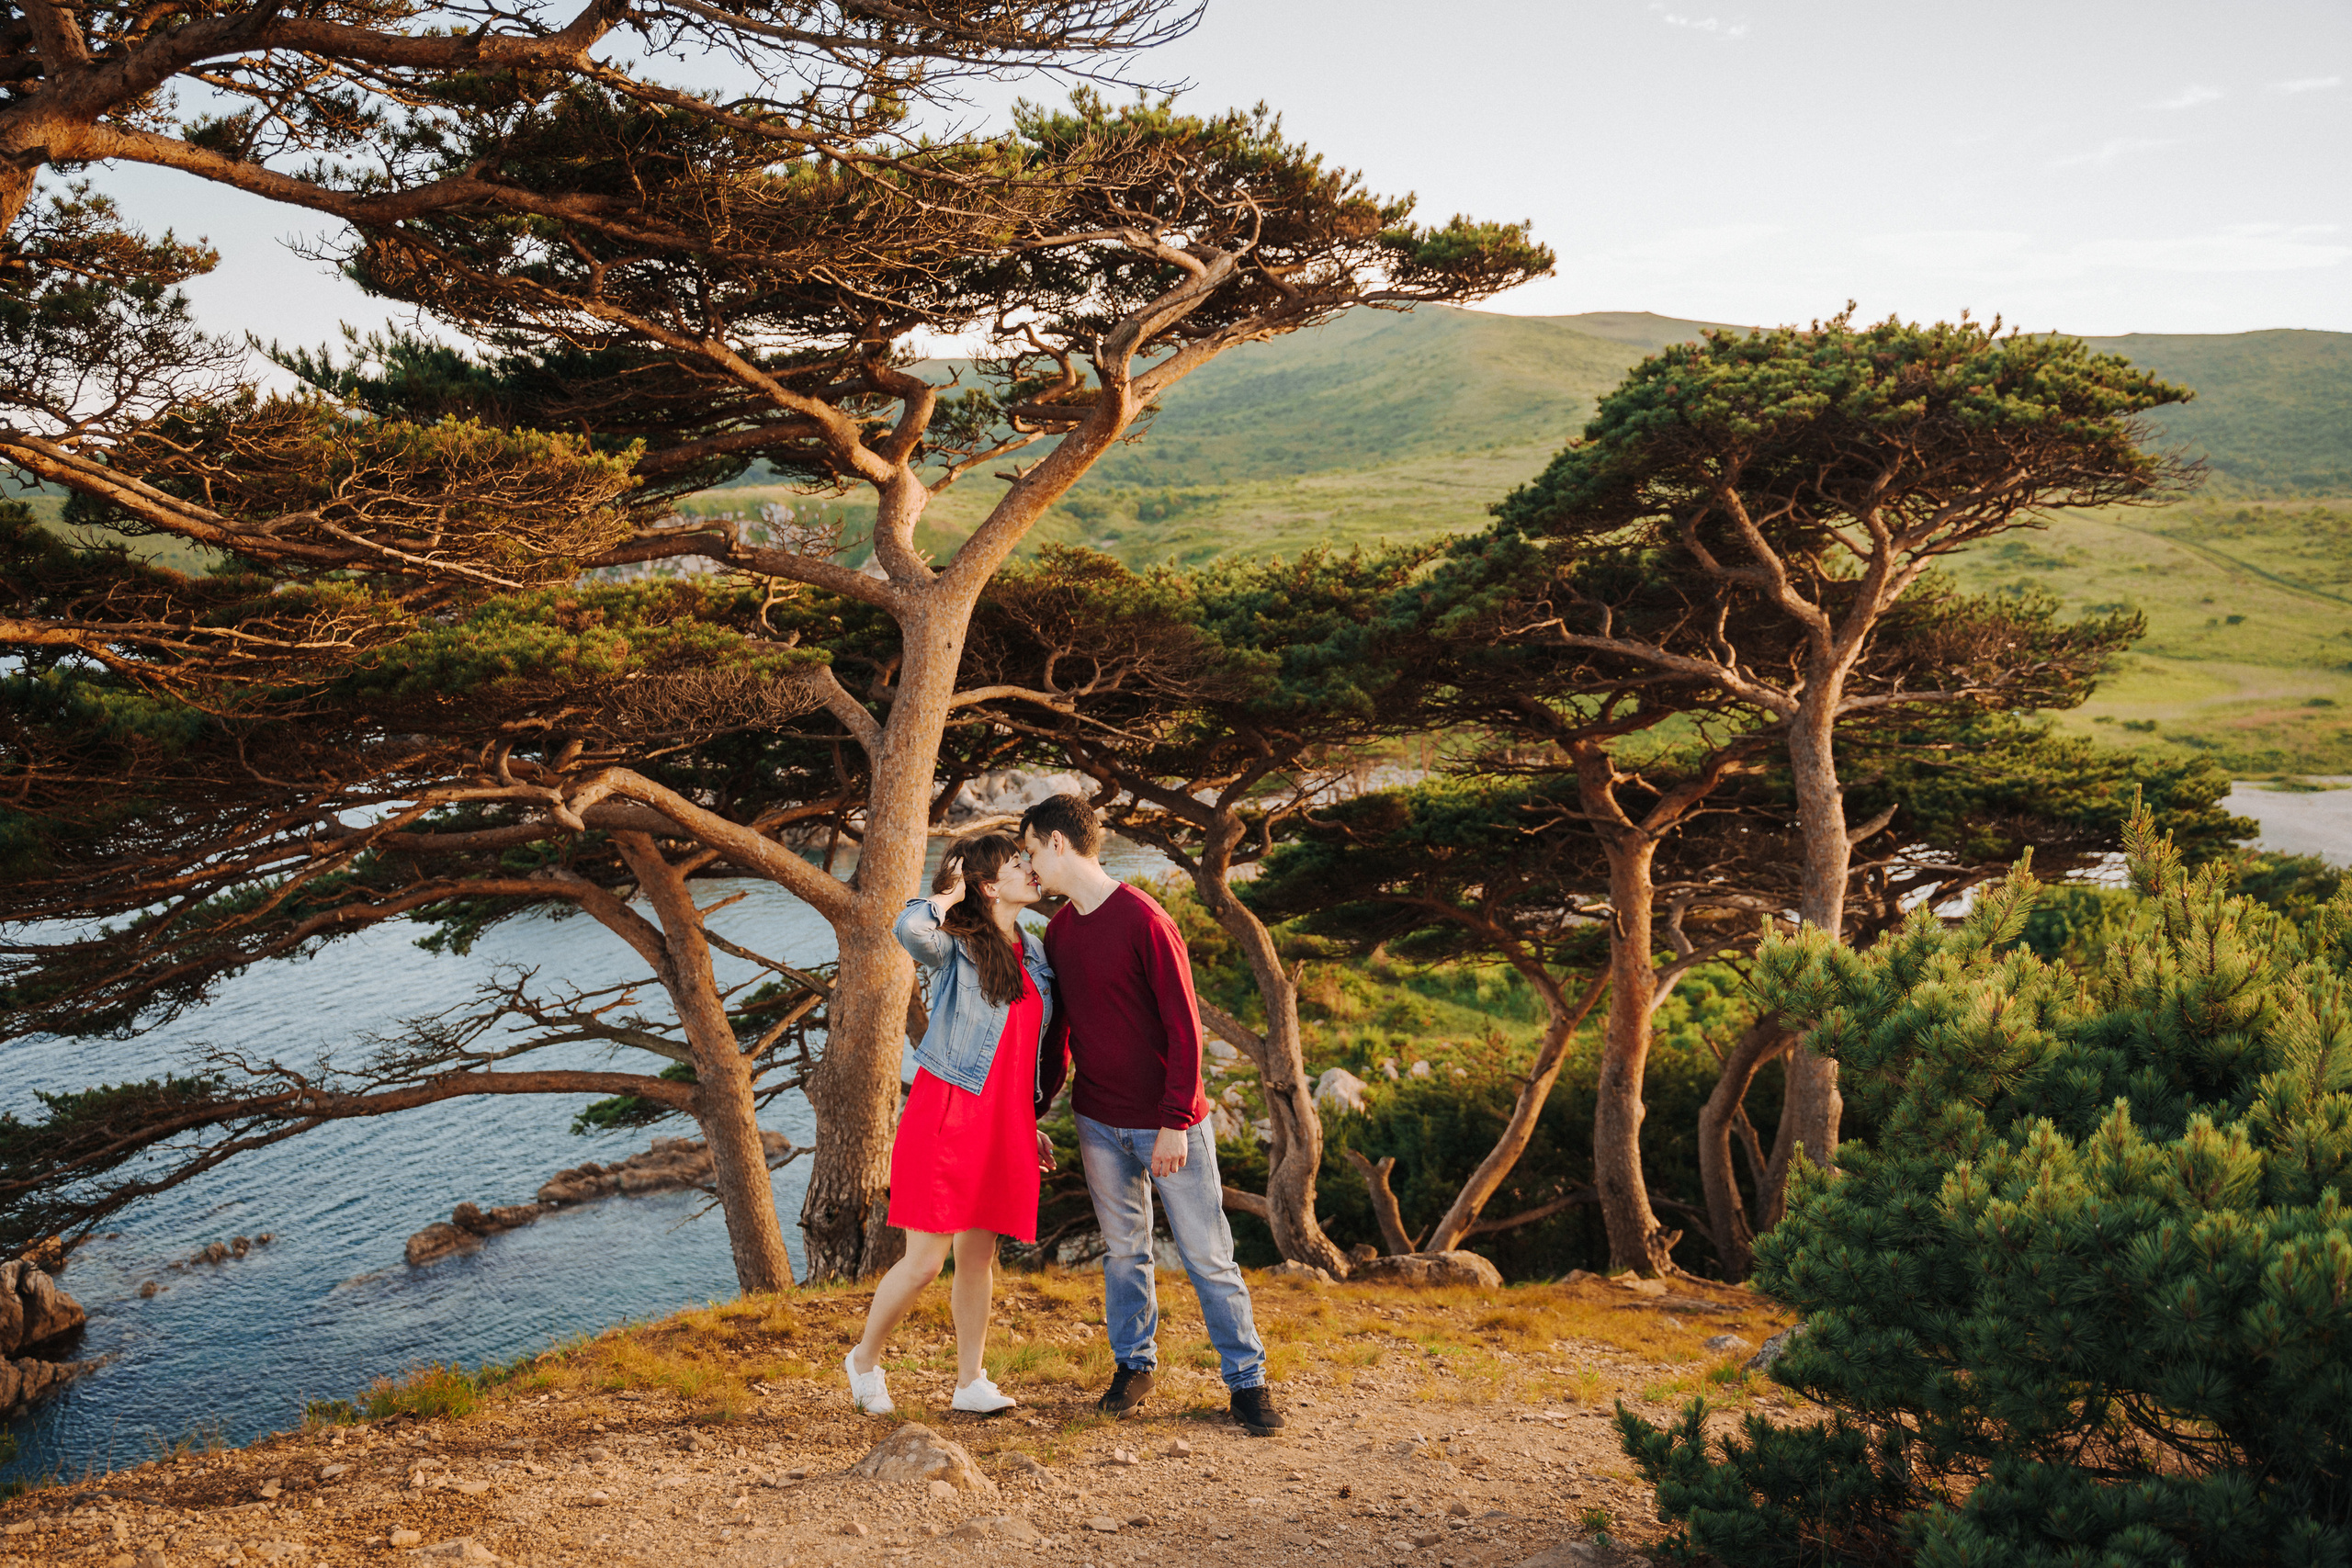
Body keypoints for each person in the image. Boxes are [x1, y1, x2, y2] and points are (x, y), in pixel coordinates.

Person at [1017, 792, 1286, 1438]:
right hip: (1098, 1121)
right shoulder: (1058, 932)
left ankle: (1247, 1383)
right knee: (1124, 1253)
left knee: (1207, 1254)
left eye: (1031, 852)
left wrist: (1173, 1119)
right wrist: (1036, 1113)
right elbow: (1058, 1036)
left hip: (1170, 1122)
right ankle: (1134, 1366)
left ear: (1059, 843)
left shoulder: (1144, 918)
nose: (1029, 869)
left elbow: (1184, 1029)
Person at [845, 831, 1061, 1417]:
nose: (1031, 869)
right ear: (988, 885)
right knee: (924, 1262)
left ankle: (970, 1382)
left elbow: (1022, 1046)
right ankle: (863, 1360)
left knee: (978, 1256)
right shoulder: (956, 945)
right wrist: (947, 894)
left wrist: (1026, 1118)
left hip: (1005, 1118)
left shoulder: (1036, 950)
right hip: (949, 1111)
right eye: (1019, 864)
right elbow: (908, 930)